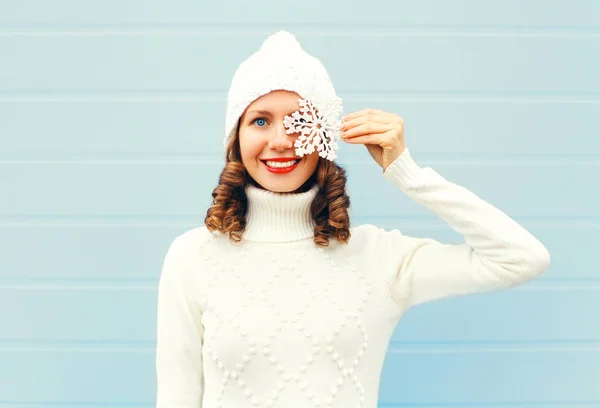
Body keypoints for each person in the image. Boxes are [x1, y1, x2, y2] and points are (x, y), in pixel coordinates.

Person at [155, 31, 551, 408]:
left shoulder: (378, 257)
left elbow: (521, 258)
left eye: (299, 121)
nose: (279, 140)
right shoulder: (192, 258)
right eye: (260, 120)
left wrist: (407, 172)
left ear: (325, 135)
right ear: (236, 138)